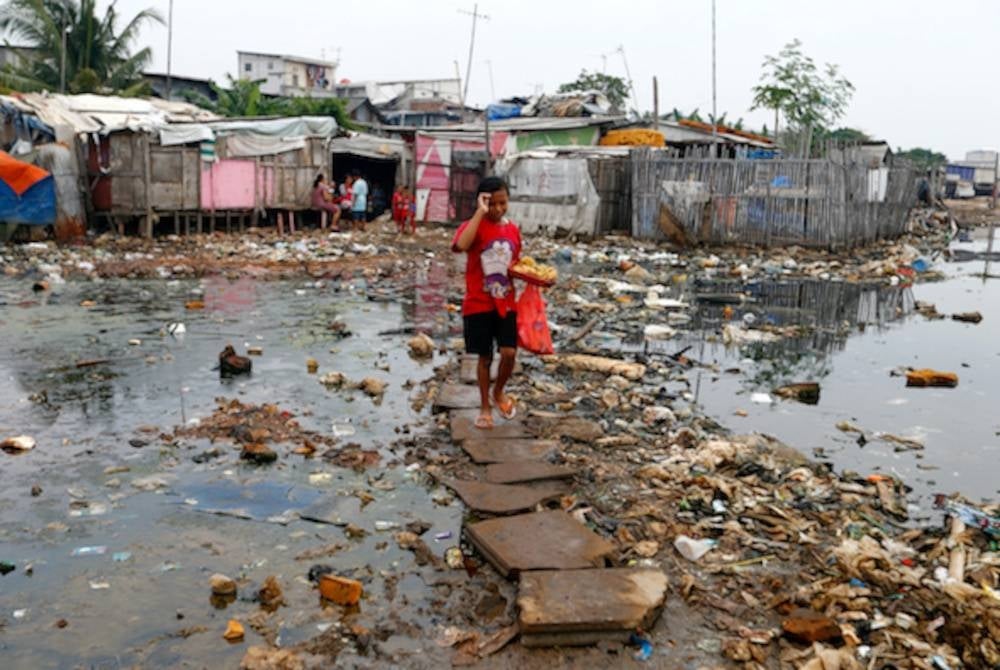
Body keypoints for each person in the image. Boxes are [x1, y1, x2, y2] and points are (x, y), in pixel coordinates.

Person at [451, 176, 521, 429]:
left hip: (506, 300)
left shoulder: (513, 229)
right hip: (479, 301)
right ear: (482, 202)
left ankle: (499, 391)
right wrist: (480, 213)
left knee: (509, 352)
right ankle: (484, 406)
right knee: (484, 358)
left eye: (503, 203)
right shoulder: (474, 226)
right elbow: (461, 245)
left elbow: (515, 262)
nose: (499, 209)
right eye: (493, 204)